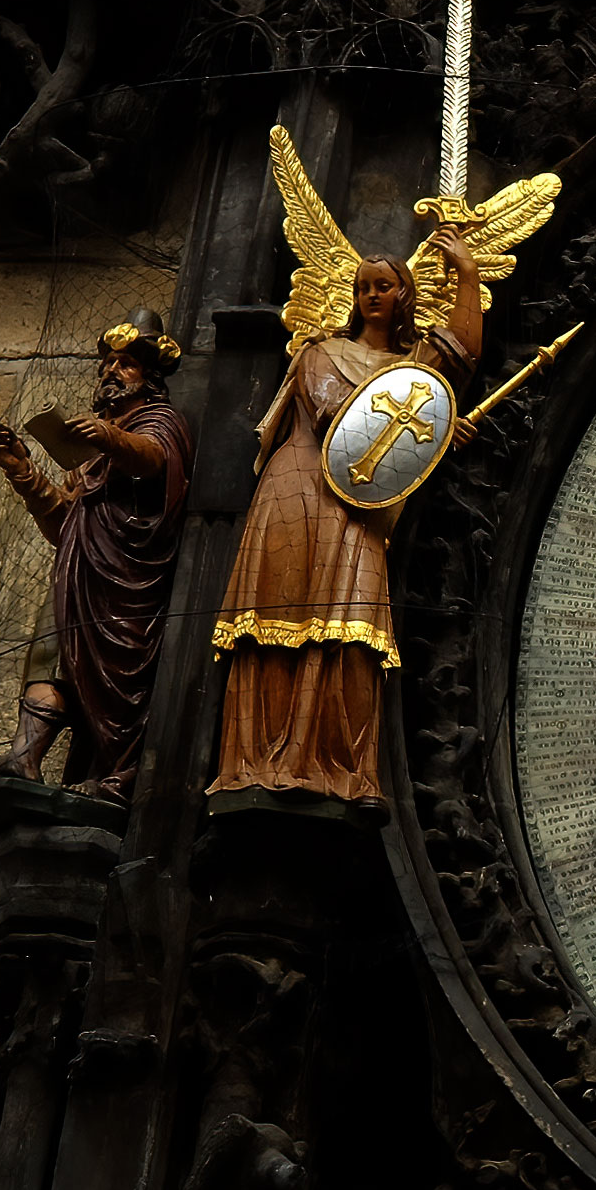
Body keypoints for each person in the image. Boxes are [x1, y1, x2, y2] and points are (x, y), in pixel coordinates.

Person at [212, 228, 481, 805]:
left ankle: (339, 766)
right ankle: (258, 758)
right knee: (279, 618)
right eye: (363, 287)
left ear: (405, 295)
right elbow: (339, 415)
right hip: (301, 487)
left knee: (356, 629)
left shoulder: (412, 368)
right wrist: (433, 424)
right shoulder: (320, 354)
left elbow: (462, 350)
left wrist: (466, 273)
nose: (372, 295)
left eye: (384, 285)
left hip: (362, 508)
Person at [0, 314, 194, 802]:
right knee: (50, 654)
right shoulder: (89, 453)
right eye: (107, 363)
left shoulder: (160, 422)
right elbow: (61, 522)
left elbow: (152, 458)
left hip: (128, 578)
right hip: (77, 569)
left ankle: (122, 777)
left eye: (126, 364)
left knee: (125, 681)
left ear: (149, 376)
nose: (111, 371)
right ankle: (25, 757)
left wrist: (107, 437)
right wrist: (23, 472)